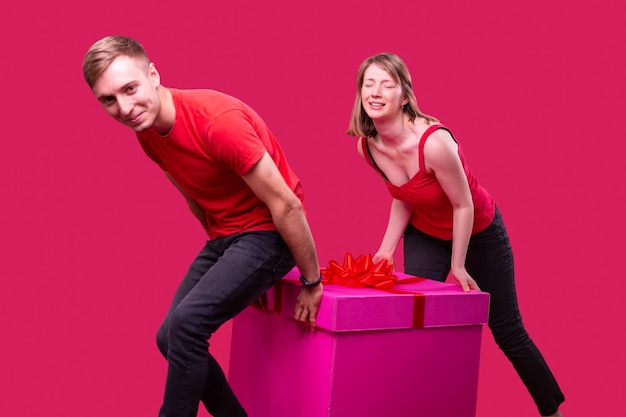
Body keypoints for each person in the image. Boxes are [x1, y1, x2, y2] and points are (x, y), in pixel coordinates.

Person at [82, 35, 323, 417]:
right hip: (228, 238)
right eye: (108, 100)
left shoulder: (217, 121)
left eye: (130, 89)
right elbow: (193, 194)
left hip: (269, 233)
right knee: (169, 336)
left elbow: (288, 204)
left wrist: (311, 280)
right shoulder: (148, 133)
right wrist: (236, 276)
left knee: (188, 325)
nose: (125, 108)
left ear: (153, 74)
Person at [347, 53, 565, 417]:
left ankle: (552, 411)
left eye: (387, 84)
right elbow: (404, 196)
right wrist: (385, 250)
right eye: (369, 84)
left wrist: (458, 265)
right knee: (415, 324)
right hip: (426, 232)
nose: (376, 92)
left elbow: (462, 205)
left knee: (507, 330)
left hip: (478, 231)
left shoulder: (434, 143)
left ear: (405, 96)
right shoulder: (368, 146)